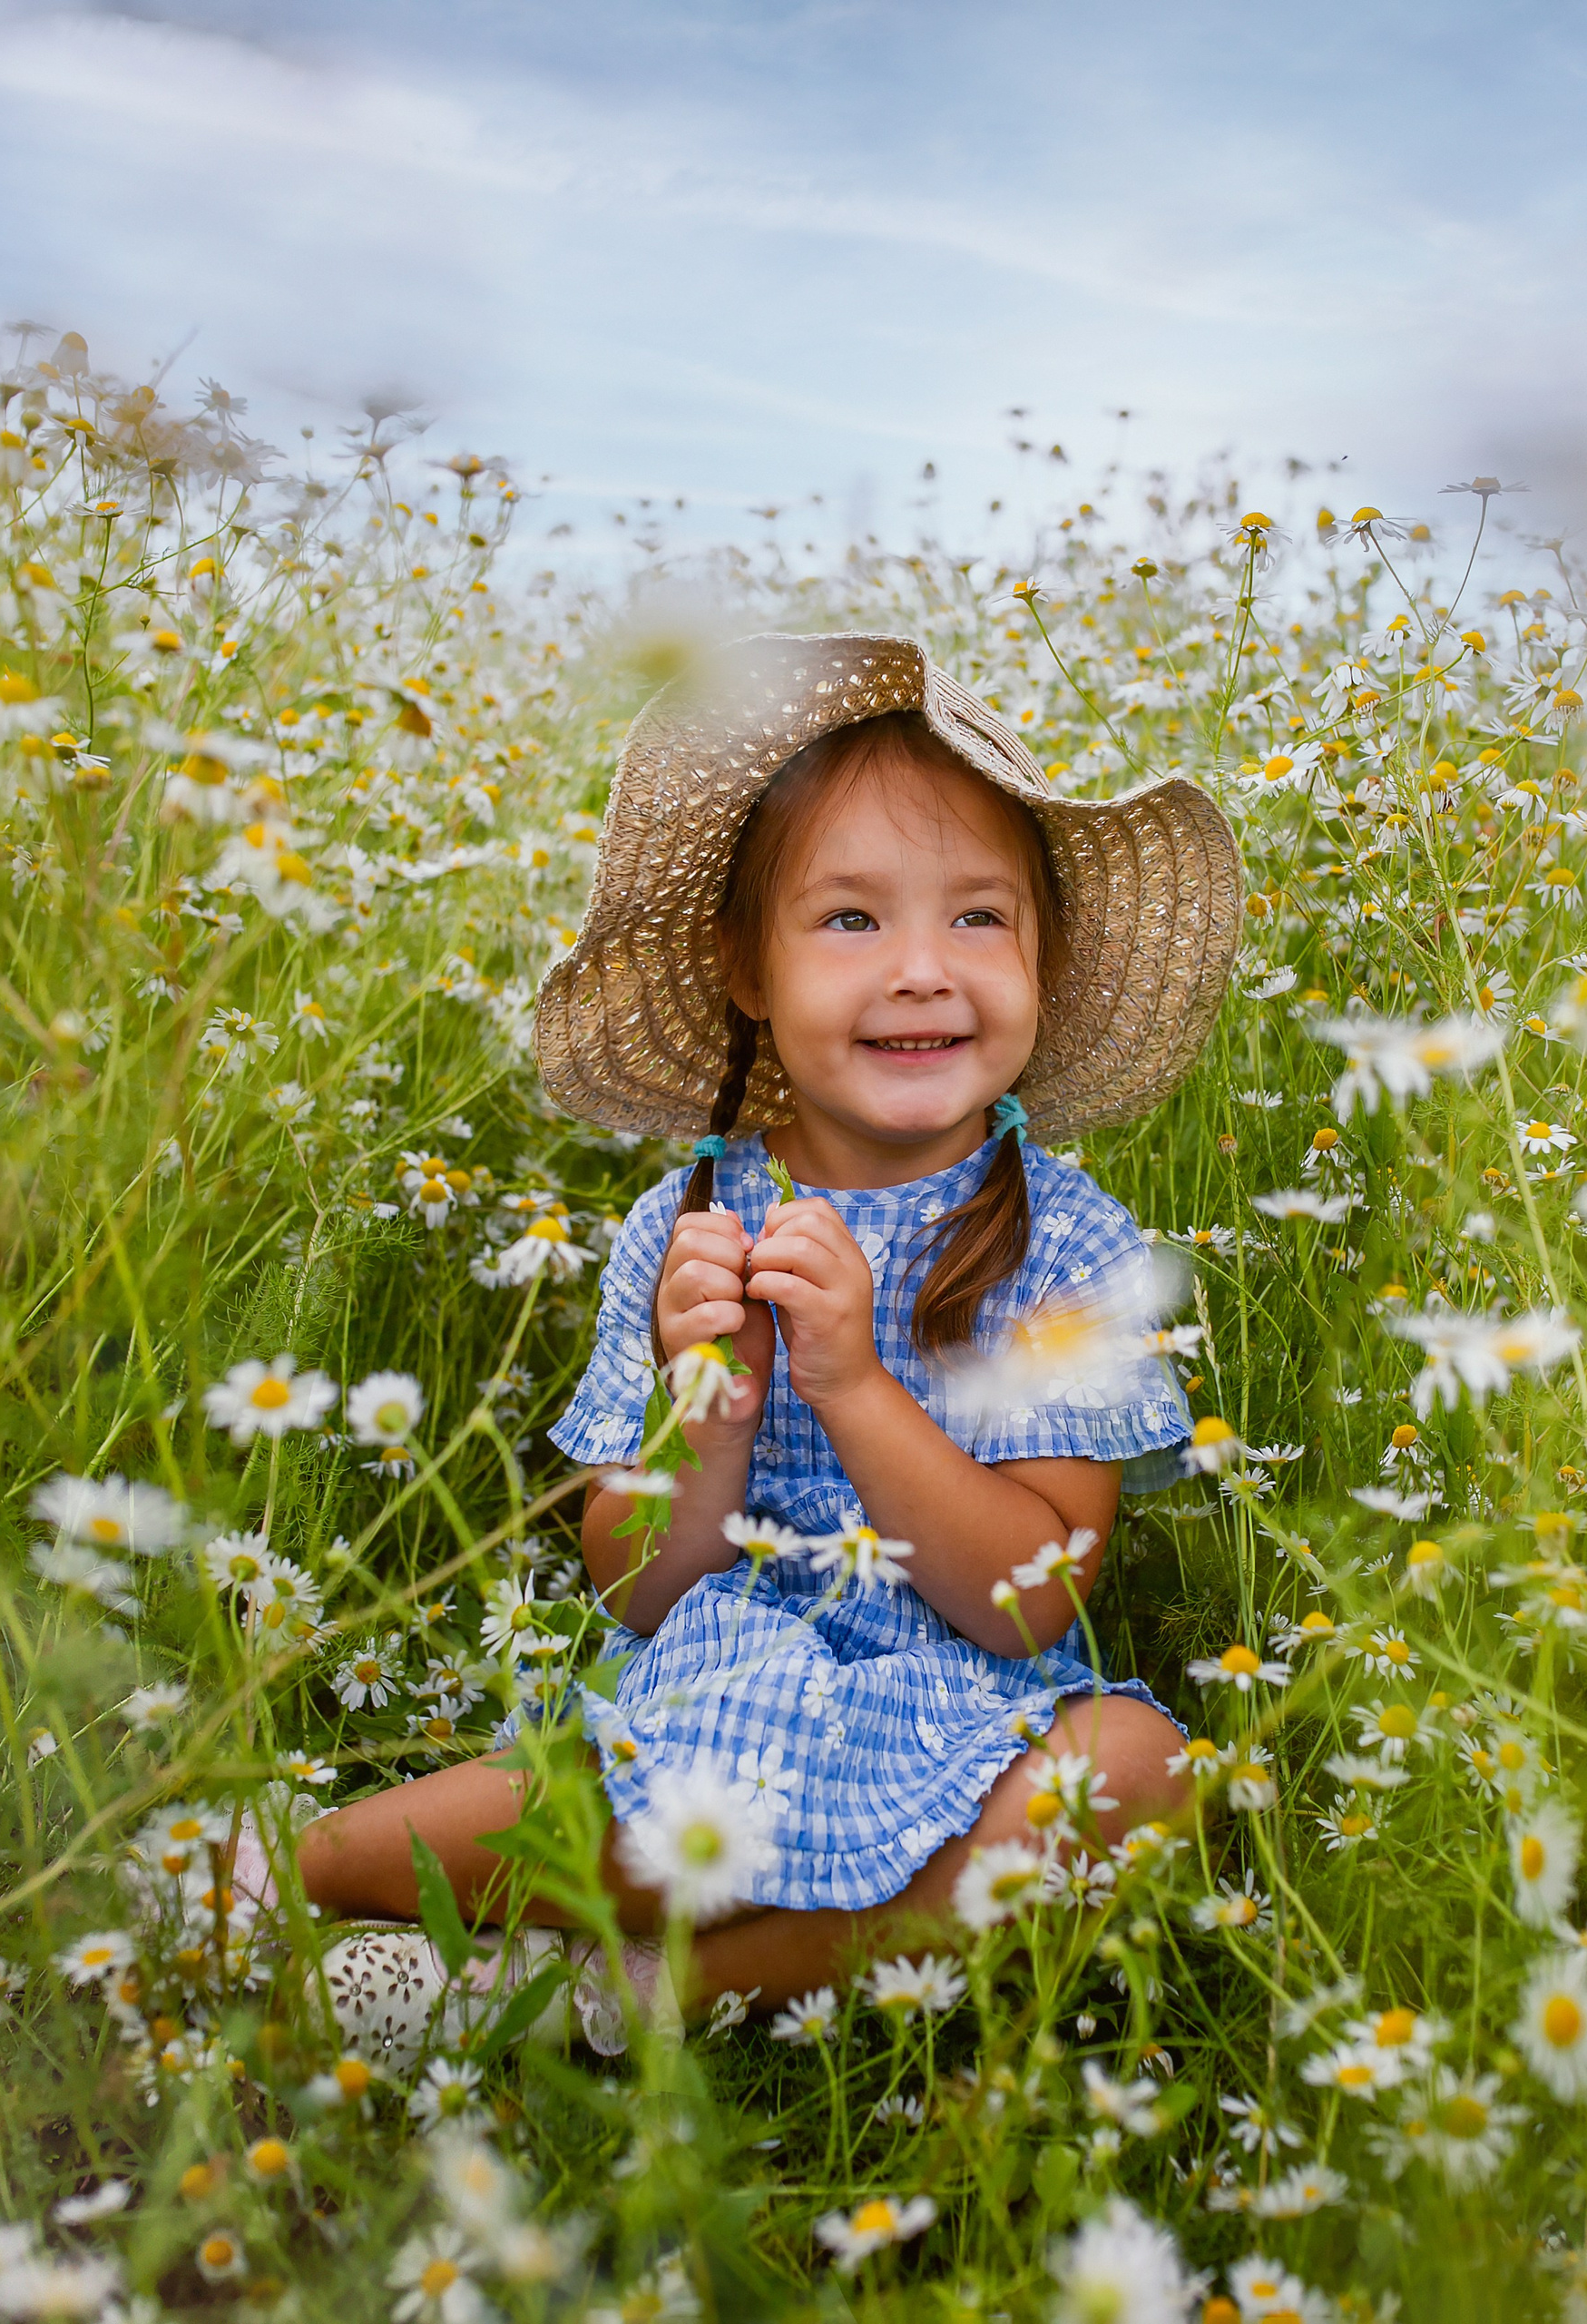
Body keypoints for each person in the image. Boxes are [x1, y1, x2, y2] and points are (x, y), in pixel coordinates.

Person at [244, 631, 1241, 2056]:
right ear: (746, 964)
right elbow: (637, 1586)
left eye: (979, 918)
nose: (921, 971)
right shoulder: (688, 1224)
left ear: (1043, 957)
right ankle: (290, 1874)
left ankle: (642, 1994)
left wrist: (850, 1382)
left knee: (1140, 1773)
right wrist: (703, 1415)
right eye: (851, 919)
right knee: (445, 1828)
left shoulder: (1064, 1247)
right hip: (706, 1709)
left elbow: (1032, 1600)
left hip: (962, 1735)